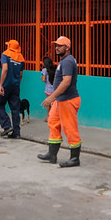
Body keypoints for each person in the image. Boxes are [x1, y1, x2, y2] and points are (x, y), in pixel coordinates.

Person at [38, 36, 82, 168]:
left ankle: (74, 158)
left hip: (68, 100)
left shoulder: (67, 61)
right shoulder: (64, 60)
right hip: (61, 100)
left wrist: (51, 97)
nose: (56, 48)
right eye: (56, 45)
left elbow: (66, 82)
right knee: (53, 123)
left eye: (60, 45)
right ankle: (52, 154)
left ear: (67, 48)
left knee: (70, 128)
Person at [0, 39, 24, 139]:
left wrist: (1, 84)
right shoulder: (21, 58)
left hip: (6, 85)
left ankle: (7, 126)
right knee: (15, 109)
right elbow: (21, 74)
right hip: (15, 86)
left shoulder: (5, 54)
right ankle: (16, 133)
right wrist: (17, 84)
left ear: (9, 46)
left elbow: (5, 69)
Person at [41, 57, 56, 121]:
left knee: (48, 104)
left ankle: (48, 117)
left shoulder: (45, 70)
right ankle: (53, 117)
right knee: (53, 104)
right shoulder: (54, 69)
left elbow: (44, 79)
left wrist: (42, 78)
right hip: (54, 89)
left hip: (48, 89)